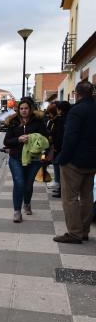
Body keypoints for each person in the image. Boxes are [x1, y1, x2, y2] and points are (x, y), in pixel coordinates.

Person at [53, 81, 96, 243]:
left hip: (74, 161)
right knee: (87, 196)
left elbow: (70, 137)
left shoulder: (76, 111)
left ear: (76, 94)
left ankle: (74, 233)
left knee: (70, 198)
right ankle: (84, 230)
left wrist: (62, 159)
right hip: (92, 161)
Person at [3, 97, 49, 223]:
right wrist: (18, 139)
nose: (23, 111)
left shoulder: (38, 122)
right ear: (18, 110)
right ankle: (17, 211)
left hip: (34, 159)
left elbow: (46, 139)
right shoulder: (13, 122)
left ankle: (27, 203)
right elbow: (6, 141)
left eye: (26, 108)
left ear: (31, 109)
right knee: (19, 182)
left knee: (28, 185)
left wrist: (34, 138)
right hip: (16, 158)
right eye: (21, 108)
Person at [48, 101, 71, 198]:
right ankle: (60, 188)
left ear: (60, 110)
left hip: (61, 148)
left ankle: (61, 188)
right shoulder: (68, 119)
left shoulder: (61, 120)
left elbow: (59, 135)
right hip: (64, 147)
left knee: (59, 166)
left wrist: (56, 147)